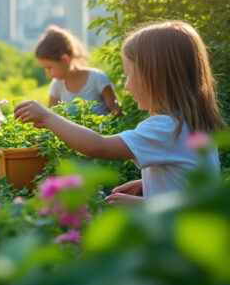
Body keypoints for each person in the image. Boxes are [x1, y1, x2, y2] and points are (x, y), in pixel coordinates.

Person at [15, 21, 225, 204]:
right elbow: (191, 187)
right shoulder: (191, 124)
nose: (125, 86)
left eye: (129, 75)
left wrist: (48, 117)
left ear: (153, 77)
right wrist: (147, 184)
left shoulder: (166, 127)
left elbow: (99, 147)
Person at [35, 25, 122, 117]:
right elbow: (50, 118)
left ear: (65, 59)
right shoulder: (57, 85)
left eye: (49, 67)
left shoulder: (97, 78)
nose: (47, 74)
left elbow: (116, 113)